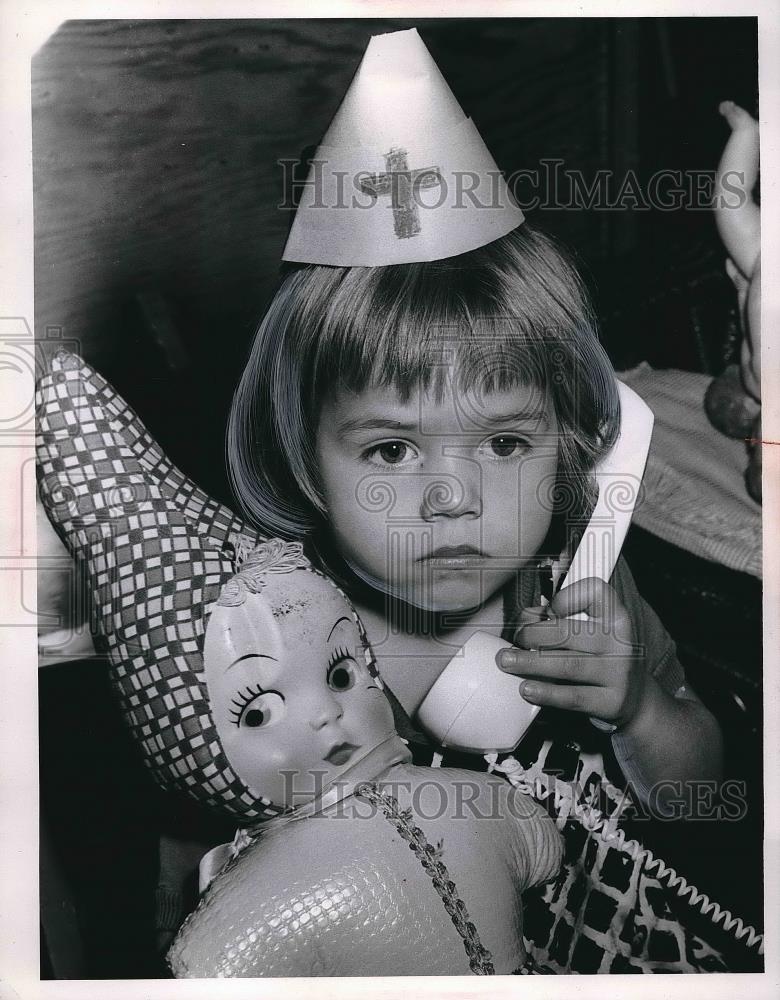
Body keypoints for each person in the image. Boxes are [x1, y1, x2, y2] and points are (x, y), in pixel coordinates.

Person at [223, 27, 740, 974]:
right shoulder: (270, 635)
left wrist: (641, 714)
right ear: (302, 454)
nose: (454, 498)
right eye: (389, 448)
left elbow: (709, 797)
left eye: (505, 443)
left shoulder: (586, 589)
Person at [169, 547, 563, 977]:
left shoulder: (260, 901)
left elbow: (204, 963)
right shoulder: (477, 798)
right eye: (258, 712)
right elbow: (539, 841)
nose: (325, 712)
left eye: (341, 677)